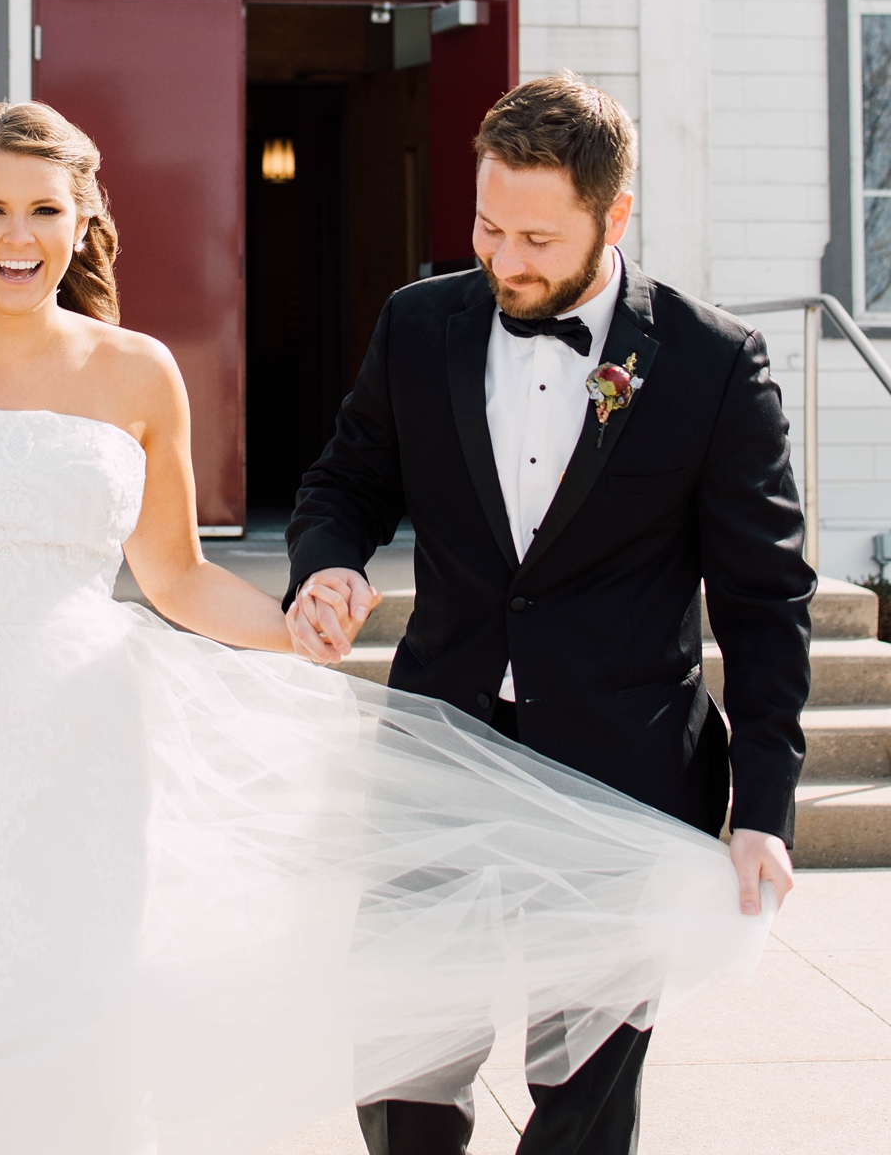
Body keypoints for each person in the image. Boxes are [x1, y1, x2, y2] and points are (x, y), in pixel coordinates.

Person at [0, 100, 776, 1155]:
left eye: (43, 211)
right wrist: (327, 574)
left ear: (83, 225)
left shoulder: (136, 373)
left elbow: (175, 576)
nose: (18, 238)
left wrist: (299, 627)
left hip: (82, 745)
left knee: (74, 1005)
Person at [285, 70, 815, 1155]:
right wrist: (324, 566)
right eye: (488, 226)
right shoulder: (419, 324)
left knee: (582, 1098)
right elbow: (346, 483)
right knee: (404, 1062)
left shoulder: (713, 365)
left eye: (537, 237)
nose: (505, 260)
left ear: (614, 217)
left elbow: (766, 599)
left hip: (623, 771)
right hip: (444, 749)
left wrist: (765, 802)